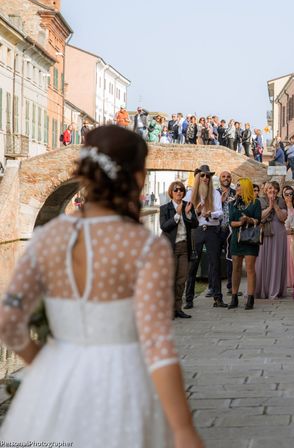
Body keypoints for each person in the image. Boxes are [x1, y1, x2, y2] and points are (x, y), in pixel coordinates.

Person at [0, 125, 203, 447]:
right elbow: (158, 348)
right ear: (137, 178)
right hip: (121, 387)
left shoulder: (49, 237)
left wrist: (48, 368)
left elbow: (9, 323)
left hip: (52, 388)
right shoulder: (145, 248)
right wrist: (183, 429)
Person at [184, 165, 227, 308]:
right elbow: (186, 215)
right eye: (202, 176)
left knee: (215, 264)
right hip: (196, 230)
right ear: (198, 177)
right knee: (193, 265)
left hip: (211, 230)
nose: (205, 178)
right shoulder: (190, 194)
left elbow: (220, 213)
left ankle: (218, 298)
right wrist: (195, 212)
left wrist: (211, 214)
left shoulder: (215, 194)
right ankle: (189, 299)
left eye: (207, 176)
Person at [160, 180, 199, 319]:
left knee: (181, 280)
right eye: (176, 190)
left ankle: (178, 309)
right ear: (171, 192)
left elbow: (195, 224)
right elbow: (164, 226)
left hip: (184, 247)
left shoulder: (188, 206)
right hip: (171, 247)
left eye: (181, 190)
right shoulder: (165, 208)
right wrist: (177, 215)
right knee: (171, 279)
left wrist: (187, 214)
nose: (179, 192)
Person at [227, 178, 262, 310]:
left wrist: (248, 219)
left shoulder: (255, 203)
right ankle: (234, 297)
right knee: (235, 268)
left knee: (250, 268)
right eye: (237, 186)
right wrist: (241, 223)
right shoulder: (233, 203)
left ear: (246, 187)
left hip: (250, 238)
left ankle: (250, 299)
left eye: (239, 186)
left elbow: (258, 221)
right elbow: (231, 222)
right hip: (236, 238)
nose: (237, 189)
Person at [255, 181, 288, 299]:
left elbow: (283, 218)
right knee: (261, 261)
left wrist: (275, 205)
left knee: (276, 260)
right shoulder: (259, 201)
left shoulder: (282, 201)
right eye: (270, 189)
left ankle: (275, 290)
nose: (272, 192)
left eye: (275, 190)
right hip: (263, 232)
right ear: (265, 190)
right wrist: (269, 206)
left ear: (278, 191)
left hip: (278, 233)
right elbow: (259, 217)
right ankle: (260, 289)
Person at [218, 171, 236, 296]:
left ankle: (231, 285)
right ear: (220, 179)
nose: (226, 178)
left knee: (231, 258)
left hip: (231, 230)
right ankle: (212, 287)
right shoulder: (214, 193)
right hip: (217, 230)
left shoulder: (235, 193)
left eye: (228, 176)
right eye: (223, 176)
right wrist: (220, 200)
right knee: (214, 258)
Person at [283, 186, 294, 291]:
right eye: (286, 194)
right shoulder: (282, 210)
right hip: (284, 238)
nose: (289, 196)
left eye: (290, 194)